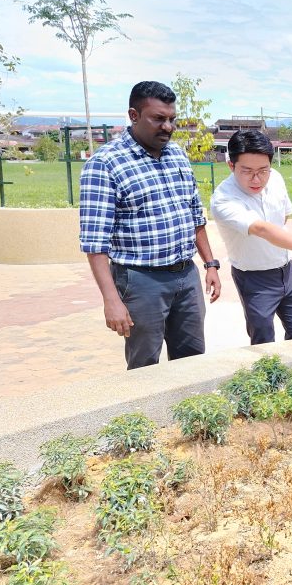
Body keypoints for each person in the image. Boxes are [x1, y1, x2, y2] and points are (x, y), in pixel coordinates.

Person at [79, 80, 221, 370]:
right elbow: (95, 244)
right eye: (158, 119)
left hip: (186, 276)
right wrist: (111, 300)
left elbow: (195, 215)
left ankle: (187, 414)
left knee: (193, 360)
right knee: (145, 366)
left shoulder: (177, 155)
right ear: (133, 115)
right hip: (141, 282)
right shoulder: (105, 164)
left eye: (171, 119)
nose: (167, 127)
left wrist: (210, 264)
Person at [210, 130, 292, 345]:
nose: (257, 179)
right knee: (263, 338)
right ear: (231, 165)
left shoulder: (275, 179)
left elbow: (283, 216)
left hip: (286, 270)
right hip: (254, 279)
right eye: (247, 171)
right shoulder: (223, 199)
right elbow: (262, 229)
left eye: (263, 170)